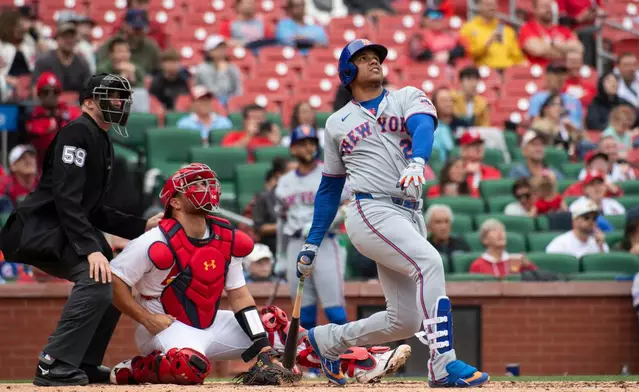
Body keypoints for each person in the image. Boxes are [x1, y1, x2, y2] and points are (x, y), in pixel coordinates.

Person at [294, 39, 488, 387]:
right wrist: (312, 242)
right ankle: (443, 364)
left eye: (376, 58)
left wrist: (418, 159)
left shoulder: (406, 96)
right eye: (364, 59)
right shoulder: (337, 123)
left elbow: (423, 127)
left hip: (410, 213)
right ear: (348, 71)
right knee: (429, 263)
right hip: (370, 209)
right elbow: (329, 187)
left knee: (404, 322)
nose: (374, 63)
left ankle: (325, 341)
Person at [108, 164, 411, 385]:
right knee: (188, 368)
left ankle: (361, 362)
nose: (207, 188)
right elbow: (116, 282)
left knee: (274, 325)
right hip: (166, 327)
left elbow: (239, 296)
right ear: (174, 201)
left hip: (211, 321)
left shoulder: (225, 237)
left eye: (207, 182)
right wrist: (146, 319)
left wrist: (263, 346)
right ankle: (135, 369)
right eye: (195, 186)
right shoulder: (153, 240)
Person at [0, 73, 163, 386]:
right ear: (88, 103)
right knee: (96, 279)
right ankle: (53, 363)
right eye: (110, 96)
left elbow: (94, 210)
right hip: (39, 229)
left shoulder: (99, 138)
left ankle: (84, 363)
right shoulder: (77, 133)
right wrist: (90, 248)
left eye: (121, 97)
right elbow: (66, 198)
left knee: (114, 282)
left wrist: (141, 225)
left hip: (62, 228)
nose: (118, 102)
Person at [275, 125, 349, 331]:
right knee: (303, 313)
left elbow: (348, 205)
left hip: (324, 241)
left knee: (334, 310)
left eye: (311, 143)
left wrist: (324, 222)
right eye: (302, 144)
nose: (308, 148)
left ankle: (351, 357)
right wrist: (280, 254)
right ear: (292, 149)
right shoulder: (284, 182)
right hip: (295, 243)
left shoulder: (330, 172)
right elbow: (282, 220)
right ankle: (310, 361)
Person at [25, 72, 82, 166]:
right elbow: (36, 130)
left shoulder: (67, 110)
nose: (50, 95)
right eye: (46, 92)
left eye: (55, 92)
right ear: (39, 94)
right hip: (44, 167)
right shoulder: (34, 115)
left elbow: (80, 122)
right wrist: (54, 122)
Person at [458, 0, 524, 70]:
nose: (491, 8)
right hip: (483, 72)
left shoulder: (507, 30)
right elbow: (467, 54)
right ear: (479, 6)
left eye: (494, 5)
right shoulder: (468, 28)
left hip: (508, 71)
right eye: (488, 5)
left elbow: (518, 57)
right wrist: (488, 42)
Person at [469, 219, 537, 278]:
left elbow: (539, 281)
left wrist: (528, 266)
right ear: (484, 240)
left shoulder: (516, 261)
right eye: (494, 230)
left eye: (502, 230)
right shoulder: (478, 265)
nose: (500, 233)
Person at [195, 35, 243, 105]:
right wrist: (221, 72)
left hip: (231, 103)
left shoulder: (232, 67)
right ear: (209, 52)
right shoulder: (202, 68)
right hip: (209, 104)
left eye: (223, 48)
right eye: (218, 48)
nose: (222, 51)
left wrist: (234, 102)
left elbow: (238, 90)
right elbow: (214, 92)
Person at [425, 204, 470, 270]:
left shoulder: (461, 244)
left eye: (446, 222)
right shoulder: (425, 246)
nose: (443, 227)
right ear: (429, 226)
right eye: (438, 222)